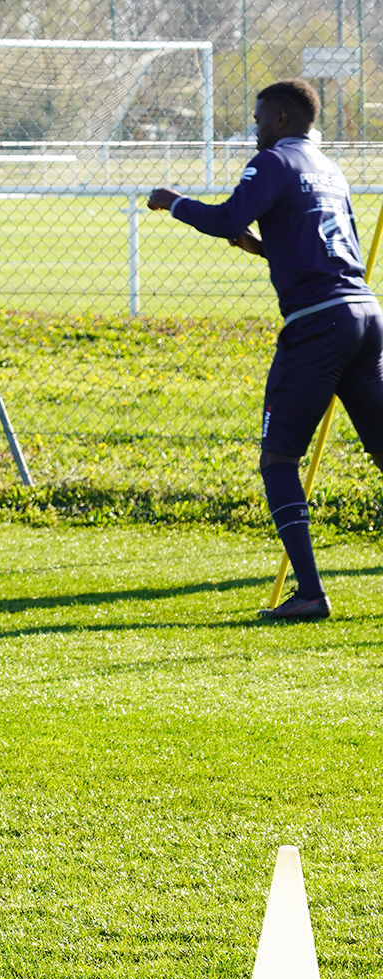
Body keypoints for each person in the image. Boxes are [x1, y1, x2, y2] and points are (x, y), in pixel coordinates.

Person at [149, 78, 378, 620]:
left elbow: (227, 216)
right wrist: (260, 248)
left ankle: (312, 595)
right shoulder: (329, 167)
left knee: (278, 459)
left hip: (317, 326)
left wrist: (174, 202)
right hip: (366, 314)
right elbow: (317, 244)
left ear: (279, 119)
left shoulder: (275, 161)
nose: (253, 128)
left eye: (257, 119)